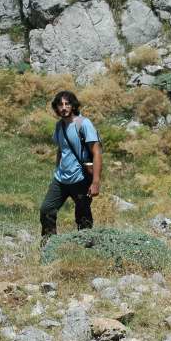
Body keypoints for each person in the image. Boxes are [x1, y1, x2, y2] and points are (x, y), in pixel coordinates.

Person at [39, 90, 103, 245]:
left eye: (67, 104)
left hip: (81, 179)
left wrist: (95, 182)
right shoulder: (59, 126)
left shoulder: (83, 124)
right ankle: (49, 245)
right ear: (56, 108)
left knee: (83, 216)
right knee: (46, 209)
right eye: (60, 104)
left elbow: (97, 152)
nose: (64, 107)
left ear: (73, 106)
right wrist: (57, 168)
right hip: (61, 179)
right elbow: (61, 149)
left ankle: (87, 247)